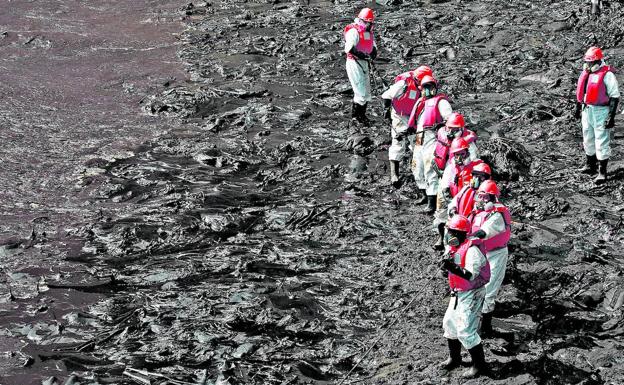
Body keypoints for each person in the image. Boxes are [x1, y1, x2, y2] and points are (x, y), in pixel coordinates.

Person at [439, 215, 490, 378]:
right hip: (458, 291)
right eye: (448, 231)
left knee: (466, 330)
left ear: (461, 234)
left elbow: (471, 275)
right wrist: (445, 269)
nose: (449, 235)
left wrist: (452, 268)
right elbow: (451, 267)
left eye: (452, 232)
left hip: (472, 292)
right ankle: (455, 358)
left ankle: (479, 365)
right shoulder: (453, 247)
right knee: (450, 324)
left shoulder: (472, 250)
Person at [468, 180, 511, 336]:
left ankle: (486, 327)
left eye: (486, 198)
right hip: (480, 252)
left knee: (489, 291)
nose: (482, 200)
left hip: (496, 255)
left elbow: (486, 231)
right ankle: (474, 319)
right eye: (481, 196)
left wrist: (472, 238)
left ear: (493, 198)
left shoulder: (497, 215)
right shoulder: (477, 211)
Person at [382, 66, 433, 189]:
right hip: (400, 114)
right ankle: (394, 173)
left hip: (415, 115)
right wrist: (386, 111)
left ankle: (419, 169)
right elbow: (386, 96)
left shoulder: (428, 86)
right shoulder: (403, 84)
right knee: (398, 141)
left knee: (417, 142)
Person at [407, 75, 453, 212]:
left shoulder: (441, 103)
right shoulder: (420, 102)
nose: (427, 90)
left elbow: (450, 120)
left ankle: (432, 202)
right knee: (417, 167)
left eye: (430, 87)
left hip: (432, 138)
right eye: (425, 87)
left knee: (430, 168)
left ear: (435, 88)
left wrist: (441, 128)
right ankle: (424, 194)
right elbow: (414, 122)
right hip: (419, 138)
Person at [575, 46, 620, 184]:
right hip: (587, 109)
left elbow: (614, 97)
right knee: (588, 137)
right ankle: (590, 165)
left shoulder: (607, 75)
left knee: (601, 140)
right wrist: (578, 108)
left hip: (601, 111)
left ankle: (602, 172)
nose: (589, 65)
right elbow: (582, 93)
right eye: (587, 62)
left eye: (591, 62)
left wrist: (610, 117)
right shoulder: (586, 73)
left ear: (598, 61)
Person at [433, 138, 484, 248]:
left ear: (467, 153)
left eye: (462, 154)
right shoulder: (450, 168)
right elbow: (445, 188)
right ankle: (442, 239)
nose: (459, 157)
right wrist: (452, 205)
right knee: (444, 219)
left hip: (469, 201)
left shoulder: (475, 167)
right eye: (457, 154)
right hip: (453, 199)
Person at [344, 8, 377, 127]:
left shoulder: (369, 33)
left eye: (371, 23)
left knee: (367, 92)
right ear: (362, 21)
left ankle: (362, 116)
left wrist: (372, 55)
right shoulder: (354, 32)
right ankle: (355, 118)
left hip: (364, 63)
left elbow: (373, 47)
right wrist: (363, 56)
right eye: (369, 23)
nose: (370, 25)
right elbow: (349, 49)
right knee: (360, 92)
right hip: (354, 63)